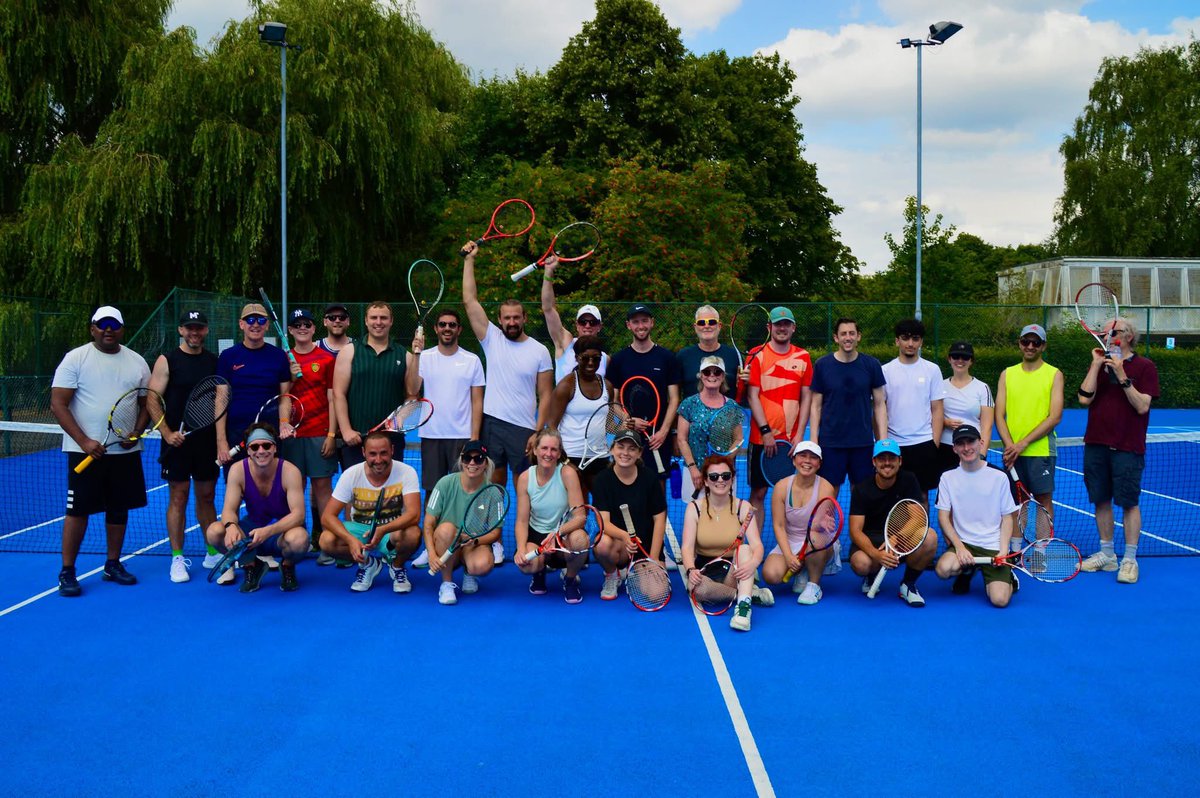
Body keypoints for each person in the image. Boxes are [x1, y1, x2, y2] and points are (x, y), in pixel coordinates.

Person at [462, 239, 554, 565]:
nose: (511, 322)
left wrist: (538, 431)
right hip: (492, 425)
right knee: (493, 487)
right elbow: (469, 300)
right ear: (499, 320)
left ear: (524, 318)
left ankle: (527, 542)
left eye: (516, 317)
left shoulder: (539, 351)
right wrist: (469, 260)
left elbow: (546, 394)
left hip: (524, 430)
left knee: (525, 488)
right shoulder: (492, 340)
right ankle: (496, 541)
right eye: (506, 318)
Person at [50, 305, 151, 596]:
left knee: (118, 509)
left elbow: (146, 404)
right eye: (102, 324)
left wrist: (137, 431)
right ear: (93, 328)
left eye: (114, 325)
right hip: (84, 453)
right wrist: (84, 441)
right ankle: (67, 571)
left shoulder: (137, 362)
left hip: (125, 453)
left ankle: (112, 564)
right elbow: (58, 404)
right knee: (77, 511)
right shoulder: (75, 358)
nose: (108, 330)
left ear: (122, 329)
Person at [1077, 317, 1159, 584]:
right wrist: (1095, 364)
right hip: (1096, 444)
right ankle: (1107, 554)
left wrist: (1123, 376)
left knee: (1129, 503)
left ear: (1129, 336)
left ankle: (1130, 559)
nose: (1108, 336)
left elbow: (1142, 406)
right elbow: (1083, 398)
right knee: (1101, 500)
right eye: (1105, 333)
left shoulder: (1145, 367)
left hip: (1127, 446)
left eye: (1114, 332)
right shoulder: (1100, 366)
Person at [147, 309, 219, 583]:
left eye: (199, 328)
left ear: (206, 330)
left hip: (206, 442)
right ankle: (177, 558)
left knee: (207, 496)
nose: (194, 332)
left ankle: (212, 551)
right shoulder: (167, 360)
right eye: (189, 328)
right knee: (178, 497)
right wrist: (166, 433)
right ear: (180, 330)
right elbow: (152, 399)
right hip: (176, 443)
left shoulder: (214, 362)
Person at [410, 308, 485, 568]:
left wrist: (473, 438)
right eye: (442, 324)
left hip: (462, 438)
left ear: (459, 329)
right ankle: (430, 546)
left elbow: (477, 401)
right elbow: (412, 389)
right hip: (432, 435)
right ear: (436, 329)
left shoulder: (472, 360)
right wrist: (416, 354)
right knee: (433, 493)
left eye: (452, 324)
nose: (447, 328)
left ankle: (463, 547)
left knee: (464, 494)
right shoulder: (424, 357)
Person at [204, 424, 309, 592]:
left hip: (282, 532)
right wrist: (230, 526)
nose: (261, 451)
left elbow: (298, 515)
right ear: (248, 450)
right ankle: (251, 565)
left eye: (266, 445)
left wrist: (268, 531)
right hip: (251, 532)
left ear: (274, 448)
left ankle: (287, 566)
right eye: (255, 447)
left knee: (299, 539)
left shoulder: (290, 471)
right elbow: (229, 510)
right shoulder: (237, 470)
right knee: (214, 532)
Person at [319, 431, 422, 593]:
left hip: (391, 532)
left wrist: (383, 529)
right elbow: (327, 517)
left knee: (413, 534)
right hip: (360, 531)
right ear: (363, 452)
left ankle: (397, 566)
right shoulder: (351, 474)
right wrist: (350, 540)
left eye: (383, 453)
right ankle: (369, 564)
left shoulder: (407, 472)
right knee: (326, 540)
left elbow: (414, 514)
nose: (378, 460)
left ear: (392, 450)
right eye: (373, 454)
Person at [681, 455, 772, 631]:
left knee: (745, 549)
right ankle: (748, 593)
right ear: (706, 481)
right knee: (698, 590)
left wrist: (753, 563)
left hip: (734, 571)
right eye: (714, 477)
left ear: (732, 479)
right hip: (705, 570)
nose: (720, 480)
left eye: (725, 476)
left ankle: (743, 610)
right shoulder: (694, 508)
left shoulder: (743, 507)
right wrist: (691, 570)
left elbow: (757, 545)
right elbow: (687, 547)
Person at [933, 424, 1020, 607]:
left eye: (971, 442)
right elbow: (943, 517)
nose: (966, 448)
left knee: (1000, 600)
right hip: (965, 544)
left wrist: (1004, 550)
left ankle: (1010, 579)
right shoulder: (947, 477)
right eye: (961, 444)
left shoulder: (999, 477)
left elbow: (1007, 518)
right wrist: (959, 547)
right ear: (954, 449)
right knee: (943, 569)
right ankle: (967, 569)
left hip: (993, 546)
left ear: (981, 443)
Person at [847, 439, 937, 607]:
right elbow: (855, 531)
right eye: (882, 458)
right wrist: (876, 554)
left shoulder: (909, 479)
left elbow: (918, 518)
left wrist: (896, 538)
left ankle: (908, 584)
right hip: (872, 541)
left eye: (892, 458)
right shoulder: (861, 488)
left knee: (930, 537)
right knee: (861, 564)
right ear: (874, 462)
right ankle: (871, 575)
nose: (887, 463)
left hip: (900, 540)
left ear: (900, 461)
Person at [280, 308, 338, 563]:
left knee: (322, 488)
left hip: (319, 433)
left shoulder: (326, 359)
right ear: (290, 330)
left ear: (314, 328)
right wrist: (291, 378)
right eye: (297, 325)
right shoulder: (283, 359)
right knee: (295, 488)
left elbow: (333, 398)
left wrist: (332, 434)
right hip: (292, 435)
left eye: (307, 324)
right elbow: (282, 396)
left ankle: (326, 542)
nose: (302, 328)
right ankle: (298, 539)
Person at [332, 301, 420, 470]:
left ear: (391, 321)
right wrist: (347, 430)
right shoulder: (349, 351)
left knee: (391, 487)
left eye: (383, 318)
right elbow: (338, 394)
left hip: (391, 441)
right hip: (355, 440)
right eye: (374, 318)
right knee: (355, 487)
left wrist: (401, 418)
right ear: (366, 321)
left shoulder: (406, 356)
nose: (378, 322)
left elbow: (412, 394)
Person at [995, 323, 1064, 539]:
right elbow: (999, 414)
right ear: (1020, 343)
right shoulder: (1007, 374)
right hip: (1013, 453)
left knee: (1043, 501)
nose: (1030, 346)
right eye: (1026, 341)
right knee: (1016, 502)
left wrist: (1022, 444)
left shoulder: (1054, 374)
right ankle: (1017, 549)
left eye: (1036, 342)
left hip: (1040, 452)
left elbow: (1054, 417)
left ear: (1043, 346)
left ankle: (1041, 549)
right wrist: (1010, 446)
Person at [747, 306, 813, 528]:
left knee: (793, 494)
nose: (782, 328)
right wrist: (766, 432)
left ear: (793, 328)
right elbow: (752, 396)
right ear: (769, 327)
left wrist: (800, 434)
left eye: (786, 324)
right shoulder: (757, 354)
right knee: (758, 493)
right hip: (761, 439)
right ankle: (754, 545)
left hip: (792, 440)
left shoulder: (803, 356)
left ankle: (790, 545)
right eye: (777, 324)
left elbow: (806, 397)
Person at [809, 317, 888, 489]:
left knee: (862, 495)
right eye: (843, 334)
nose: (848, 337)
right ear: (836, 338)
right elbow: (815, 406)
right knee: (827, 495)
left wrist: (883, 441)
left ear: (858, 336)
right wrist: (814, 440)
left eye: (852, 333)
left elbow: (880, 405)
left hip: (863, 444)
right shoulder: (822, 365)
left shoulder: (872, 365)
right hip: (830, 444)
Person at [513, 429, 589, 602]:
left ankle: (570, 580)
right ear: (535, 450)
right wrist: (521, 548)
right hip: (537, 536)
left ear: (559, 453)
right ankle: (539, 573)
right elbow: (522, 521)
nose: (548, 454)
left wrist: (557, 533)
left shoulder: (568, 474)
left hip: (563, 535)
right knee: (526, 565)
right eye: (544, 448)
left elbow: (580, 517)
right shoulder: (525, 478)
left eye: (554, 449)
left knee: (580, 540)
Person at [591, 430, 668, 600]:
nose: (625, 453)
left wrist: (654, 558)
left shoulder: (650, 478)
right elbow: (603, 523)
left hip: (645, 547)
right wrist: (624, 536)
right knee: (601, 544)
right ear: (612, 449)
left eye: (632, 449)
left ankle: (638, 568)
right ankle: (612, 574)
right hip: (620, 546)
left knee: (656, 595)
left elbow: (659, 519)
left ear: (639, 453)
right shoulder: (602, 480)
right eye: (621, 447)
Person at [215, 302, 293, 469]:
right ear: (241, 324)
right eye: (250, 320)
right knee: (236, 483)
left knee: (271, 484)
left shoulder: (279, 356)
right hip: (236, 433)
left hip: (270, 434)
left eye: (261, 320)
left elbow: (284, 397)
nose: (256, 324)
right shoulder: (227, 356)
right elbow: (221, 399)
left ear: (267, 325)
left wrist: (284, 422)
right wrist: (221, 441)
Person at [425, 440, 503, 605]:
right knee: (446, 529)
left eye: (478, 459)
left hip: (472, 544)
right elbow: (428, 524)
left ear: (486, 463)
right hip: (447, 542)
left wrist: (474, 540)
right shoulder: (444, 484)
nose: (472, 463)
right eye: (467, 458)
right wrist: (431, 553)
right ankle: (446, 584)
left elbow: (496, 533)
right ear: (461, 460)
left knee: (482, 565)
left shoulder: (494, 493)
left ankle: (469, 572)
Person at [761, 441, 839, 605]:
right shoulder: (781, 487)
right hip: (791, 540)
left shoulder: (826, 488)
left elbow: (818, 528)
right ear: (794, 460)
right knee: (771, 575)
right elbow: (779, 526)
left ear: (819, 464)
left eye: (813, 458)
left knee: (815, 539)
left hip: (817, 539)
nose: (807, 461)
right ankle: (802, 569)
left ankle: (814, 585)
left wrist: (823, 524)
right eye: (802, 456)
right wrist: (789, 557)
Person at [545, 335, 616, 497]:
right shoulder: (566, 386)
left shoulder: (608, 386)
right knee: (577, 507)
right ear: (577, 358)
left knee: (606, 505)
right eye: (585, 358)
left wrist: (625, 427)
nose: (591, 363)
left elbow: (609, 425)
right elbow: (552, 427)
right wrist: (564, 460)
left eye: (596, 359)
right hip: (570, 456)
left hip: (600, 456)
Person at [881, 318, 945, 494]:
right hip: (894, 445)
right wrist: (884, 443)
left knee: (921, 496)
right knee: (892, 495)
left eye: (915, 339)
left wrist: (934, 444)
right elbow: (880, 409)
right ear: (897, 341)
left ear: (921, 342)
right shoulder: (885, 371)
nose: (910, 343)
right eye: (905, 338)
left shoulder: (932, 370)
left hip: (924, 444)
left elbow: (937, 409)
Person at [676, 356, 743, 495]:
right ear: (701, 376)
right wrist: (693, 469)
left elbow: (738, 439)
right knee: (695, 509)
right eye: (707, 372)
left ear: (723, 377)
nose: (712, 375)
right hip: (694, 475)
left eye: (717, 372)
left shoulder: (732, 406)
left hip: (724, 476)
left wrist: (724, 463)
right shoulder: (688, 404)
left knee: (725, 509)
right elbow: (682, 439)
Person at [541, 255, 608, 382]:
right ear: (577, 325)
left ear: (599, 326)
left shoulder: (605, 359)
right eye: (583, 322)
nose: (587, 326)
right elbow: (548, 309)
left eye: (592, 322)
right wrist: (548, 272)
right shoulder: (566, 344)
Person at [937, 340, 994, 476]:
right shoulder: (939, 386)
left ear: (971, 361)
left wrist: (981, 454)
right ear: (949, 359)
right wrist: (944, 422)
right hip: (944, 448)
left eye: (965, 357)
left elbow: (987, 427)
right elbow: (930, 415)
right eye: (955, 356)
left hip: (972, 450)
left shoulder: (983, 388)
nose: (960, 361)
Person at [676, 305, 739, 399]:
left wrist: (747, 381)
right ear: (695, 327)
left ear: (719, 326)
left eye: (712, 322)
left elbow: (744, 391)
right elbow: (674, 395)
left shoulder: (734, 356)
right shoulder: (683, 356)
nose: (706, 326)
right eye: (701, 323)